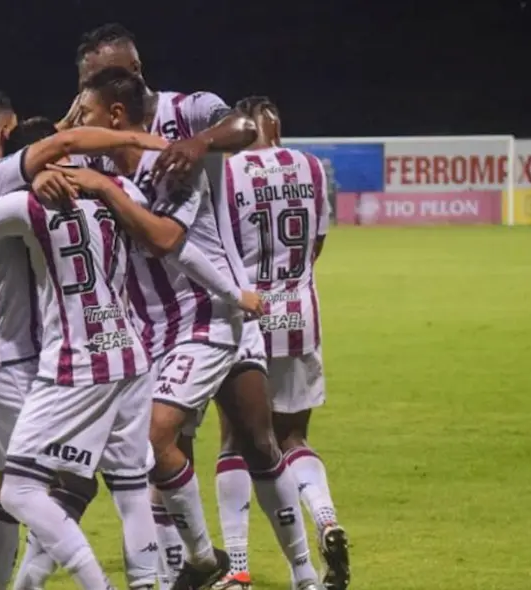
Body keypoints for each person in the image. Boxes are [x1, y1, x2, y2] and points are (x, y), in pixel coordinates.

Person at [9, 23, 264, 590]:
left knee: (167, 439)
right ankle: (178, 568)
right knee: (132, 462)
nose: (84, 100)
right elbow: (40, 150)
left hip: (202, 309)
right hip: (134, 324)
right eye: (83, 86)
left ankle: (208, 561)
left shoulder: (187, 115)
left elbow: (242, 127)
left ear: (128, 77)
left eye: (94, 85)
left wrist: (198, 143)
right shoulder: (92, 136)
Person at [57, 67, 317, 590]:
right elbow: (48, 151)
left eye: (85, 110)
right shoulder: (102, 162)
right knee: (176, 447)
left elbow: (166, 239)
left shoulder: (173, 162)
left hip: (206, 318)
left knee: (217, 441)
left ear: (115, 113)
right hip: (150, 329)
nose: (77, 123)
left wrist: (107, 191)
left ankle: (247, 567)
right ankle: (202, 563)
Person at [0, 89, 179, 590]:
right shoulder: (117, 188)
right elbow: (159, 238)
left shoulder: (20, 203)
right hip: (127, 352)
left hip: (55, 360)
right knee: (126, 489)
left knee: (16, 493)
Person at [222, 96, 348, 590]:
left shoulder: (230, 173)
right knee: (293, 438)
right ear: (278, 125)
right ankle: (326, 519)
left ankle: (237, 566)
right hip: (302, 316)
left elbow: (223, 247)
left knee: (237, 440)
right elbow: (316, 244)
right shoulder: (313, 168)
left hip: (248, 321)